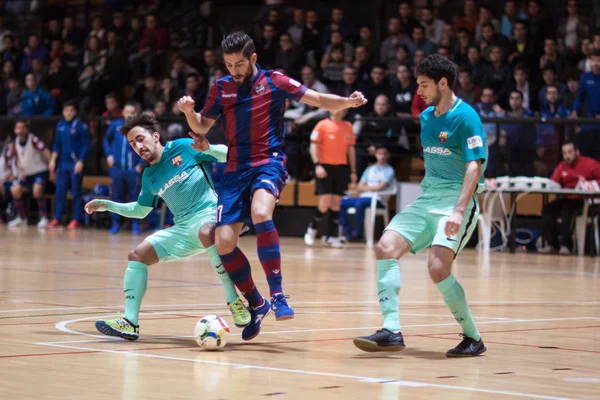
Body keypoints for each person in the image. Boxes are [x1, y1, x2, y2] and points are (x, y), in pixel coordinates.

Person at [177, 32, 367, 341]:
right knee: (223, 243)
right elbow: (202, 126)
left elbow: (316, 99)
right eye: (228, 65)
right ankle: (257, 302)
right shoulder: (221, 88)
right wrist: (189, 112)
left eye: (239, 64)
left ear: (253, 59)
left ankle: (278, 294)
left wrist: (347, 101)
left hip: (269, 161)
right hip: (235, 170)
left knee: (262, 212)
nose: (233, 71)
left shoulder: (275, 81)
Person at [353, 55, 488, 357]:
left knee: (438, 267)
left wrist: (457, 211)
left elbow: (473, 167)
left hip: (456, 201)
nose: (419, 91)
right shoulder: (427, 117)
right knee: (385, 246)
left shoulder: (466, 117)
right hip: (428, 199)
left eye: (424, 85)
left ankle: (472, 337)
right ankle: (392, 330)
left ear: (443, 83)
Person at [85, 112, 251, 340]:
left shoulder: (183, 147)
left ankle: (234, 300)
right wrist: (107, 205)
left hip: (211, 215)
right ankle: (130, 322)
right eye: (133, 144)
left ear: (155, 136)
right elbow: (141, 210)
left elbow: (227, 156)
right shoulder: (150, 175)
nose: (138, 147)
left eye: (140, 139)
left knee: (206, 231)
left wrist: (208, 148)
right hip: (183, 228)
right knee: (136, 255)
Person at [304, 109, 357, 248]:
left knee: (336, 204)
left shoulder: (348, 126)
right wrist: (317, 165)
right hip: (325, 167)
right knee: (324, 202)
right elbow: (313, 147)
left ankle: (331, 237)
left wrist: (353, 171)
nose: (338, 109)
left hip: (341, 168)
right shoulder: (322, 125)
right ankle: (312, 229)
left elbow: (351, 150)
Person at [537, 141, 600, 255]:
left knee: (567, 211)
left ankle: (567, 245)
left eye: (570, 152)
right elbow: (554, 182)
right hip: (566, 198)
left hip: (584, 200)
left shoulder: (590, 164)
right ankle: (552, 244)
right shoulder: (562, 166)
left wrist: (588, 183)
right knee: (547, 210)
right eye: (564, 153)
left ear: (577, 152)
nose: (567, 156)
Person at [47, 101, 90, 230]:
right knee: (60, 191)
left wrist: (81, 161)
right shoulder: (60, 126)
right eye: (66, 110)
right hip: (63, 164)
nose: (68, 113)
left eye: (71, 111)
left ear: (75, 112)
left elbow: (86, 145)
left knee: (76, 192)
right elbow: (57, 145)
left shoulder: (81, 126)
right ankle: (57, 218)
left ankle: (76, 219)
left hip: (75, 163)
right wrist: (53, 160)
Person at [339, 146, 395, 241]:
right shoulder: (369, 169)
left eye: (384, 153)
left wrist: (365, 188)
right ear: (375, 154)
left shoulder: (389, 170)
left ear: (388, 155)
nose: (382, 156)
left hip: (378, 199)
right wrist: (369, 188)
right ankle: (346, 232)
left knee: (359, 203)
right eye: (379, 153)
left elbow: (380, 187)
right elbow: (359, 186)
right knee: (342, 202)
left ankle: (357, 234)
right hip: (363, 197)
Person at [103, 102, 144, 234]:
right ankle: (115, 223)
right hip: (117, 169)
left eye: (131, 112)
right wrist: (109, 155)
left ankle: (135, 224)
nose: (129, 115)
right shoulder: (115, 126)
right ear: (123, 113)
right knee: (116, 196)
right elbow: (106, 140)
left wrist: (141, 164)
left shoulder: (140, 129)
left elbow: (148, 147)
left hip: (132, 169)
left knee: (135, 197)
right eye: (126, 112)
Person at [7, 121, 51, 228]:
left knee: (37, 191)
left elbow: (46, 151)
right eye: (17, 128)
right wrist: (20, 170)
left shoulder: (33, 139)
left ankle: (44, 218)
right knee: (15, 190)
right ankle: (21, 218)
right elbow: (17, 157)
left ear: (26, 129)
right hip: (27, 175)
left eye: (22, 128)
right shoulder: (15, 142)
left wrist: (52, 167)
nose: (20, 130)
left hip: (39, 172)